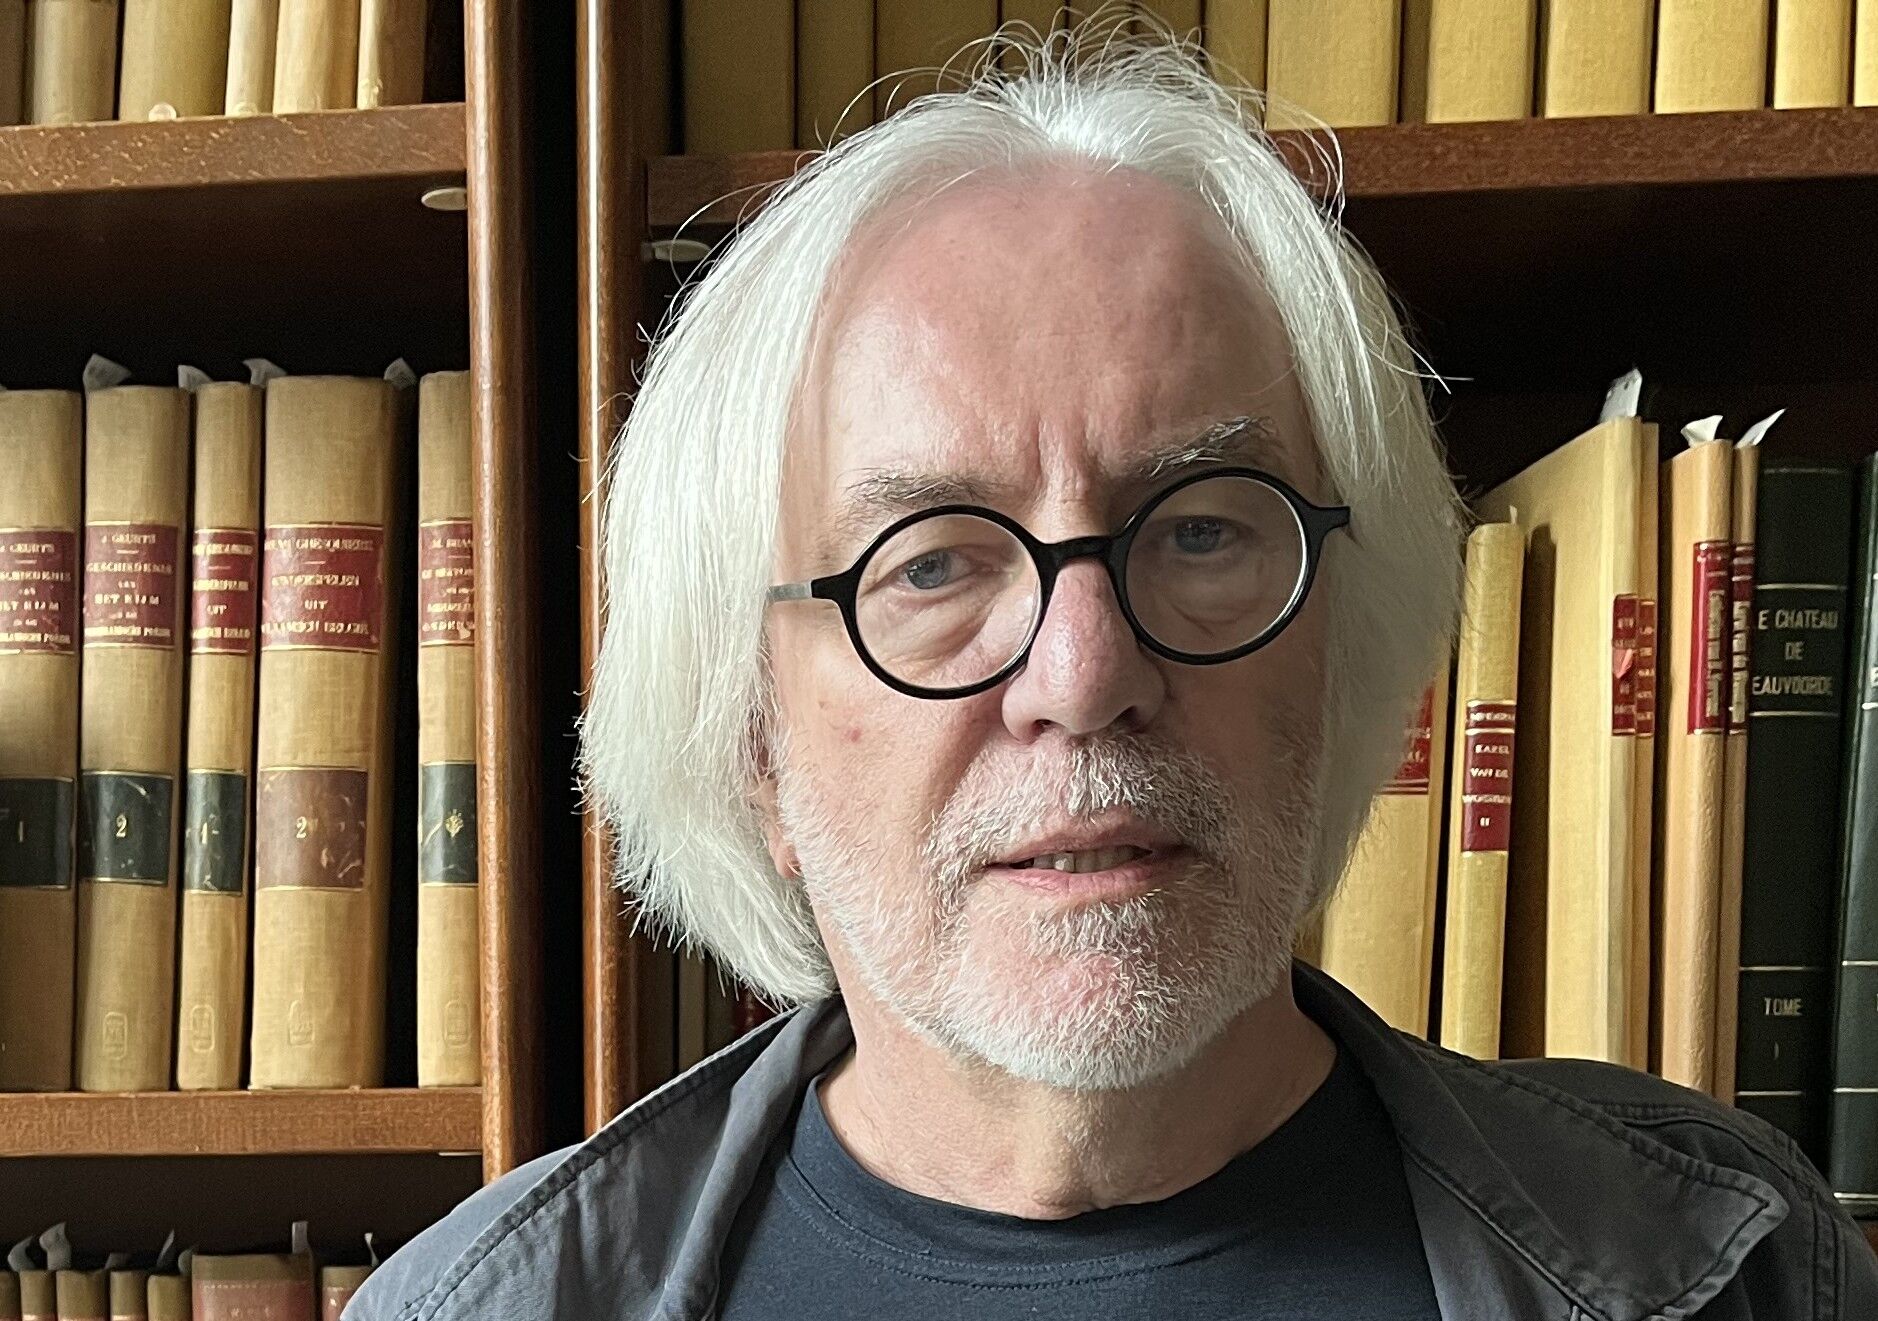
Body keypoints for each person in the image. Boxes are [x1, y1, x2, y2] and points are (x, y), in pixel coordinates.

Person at [350, 26, 1878, 1320]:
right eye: (930, 566)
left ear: (1342, 637)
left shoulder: (1735, 1265)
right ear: (751, 728)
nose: (1082, 675)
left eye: (1200, 529)